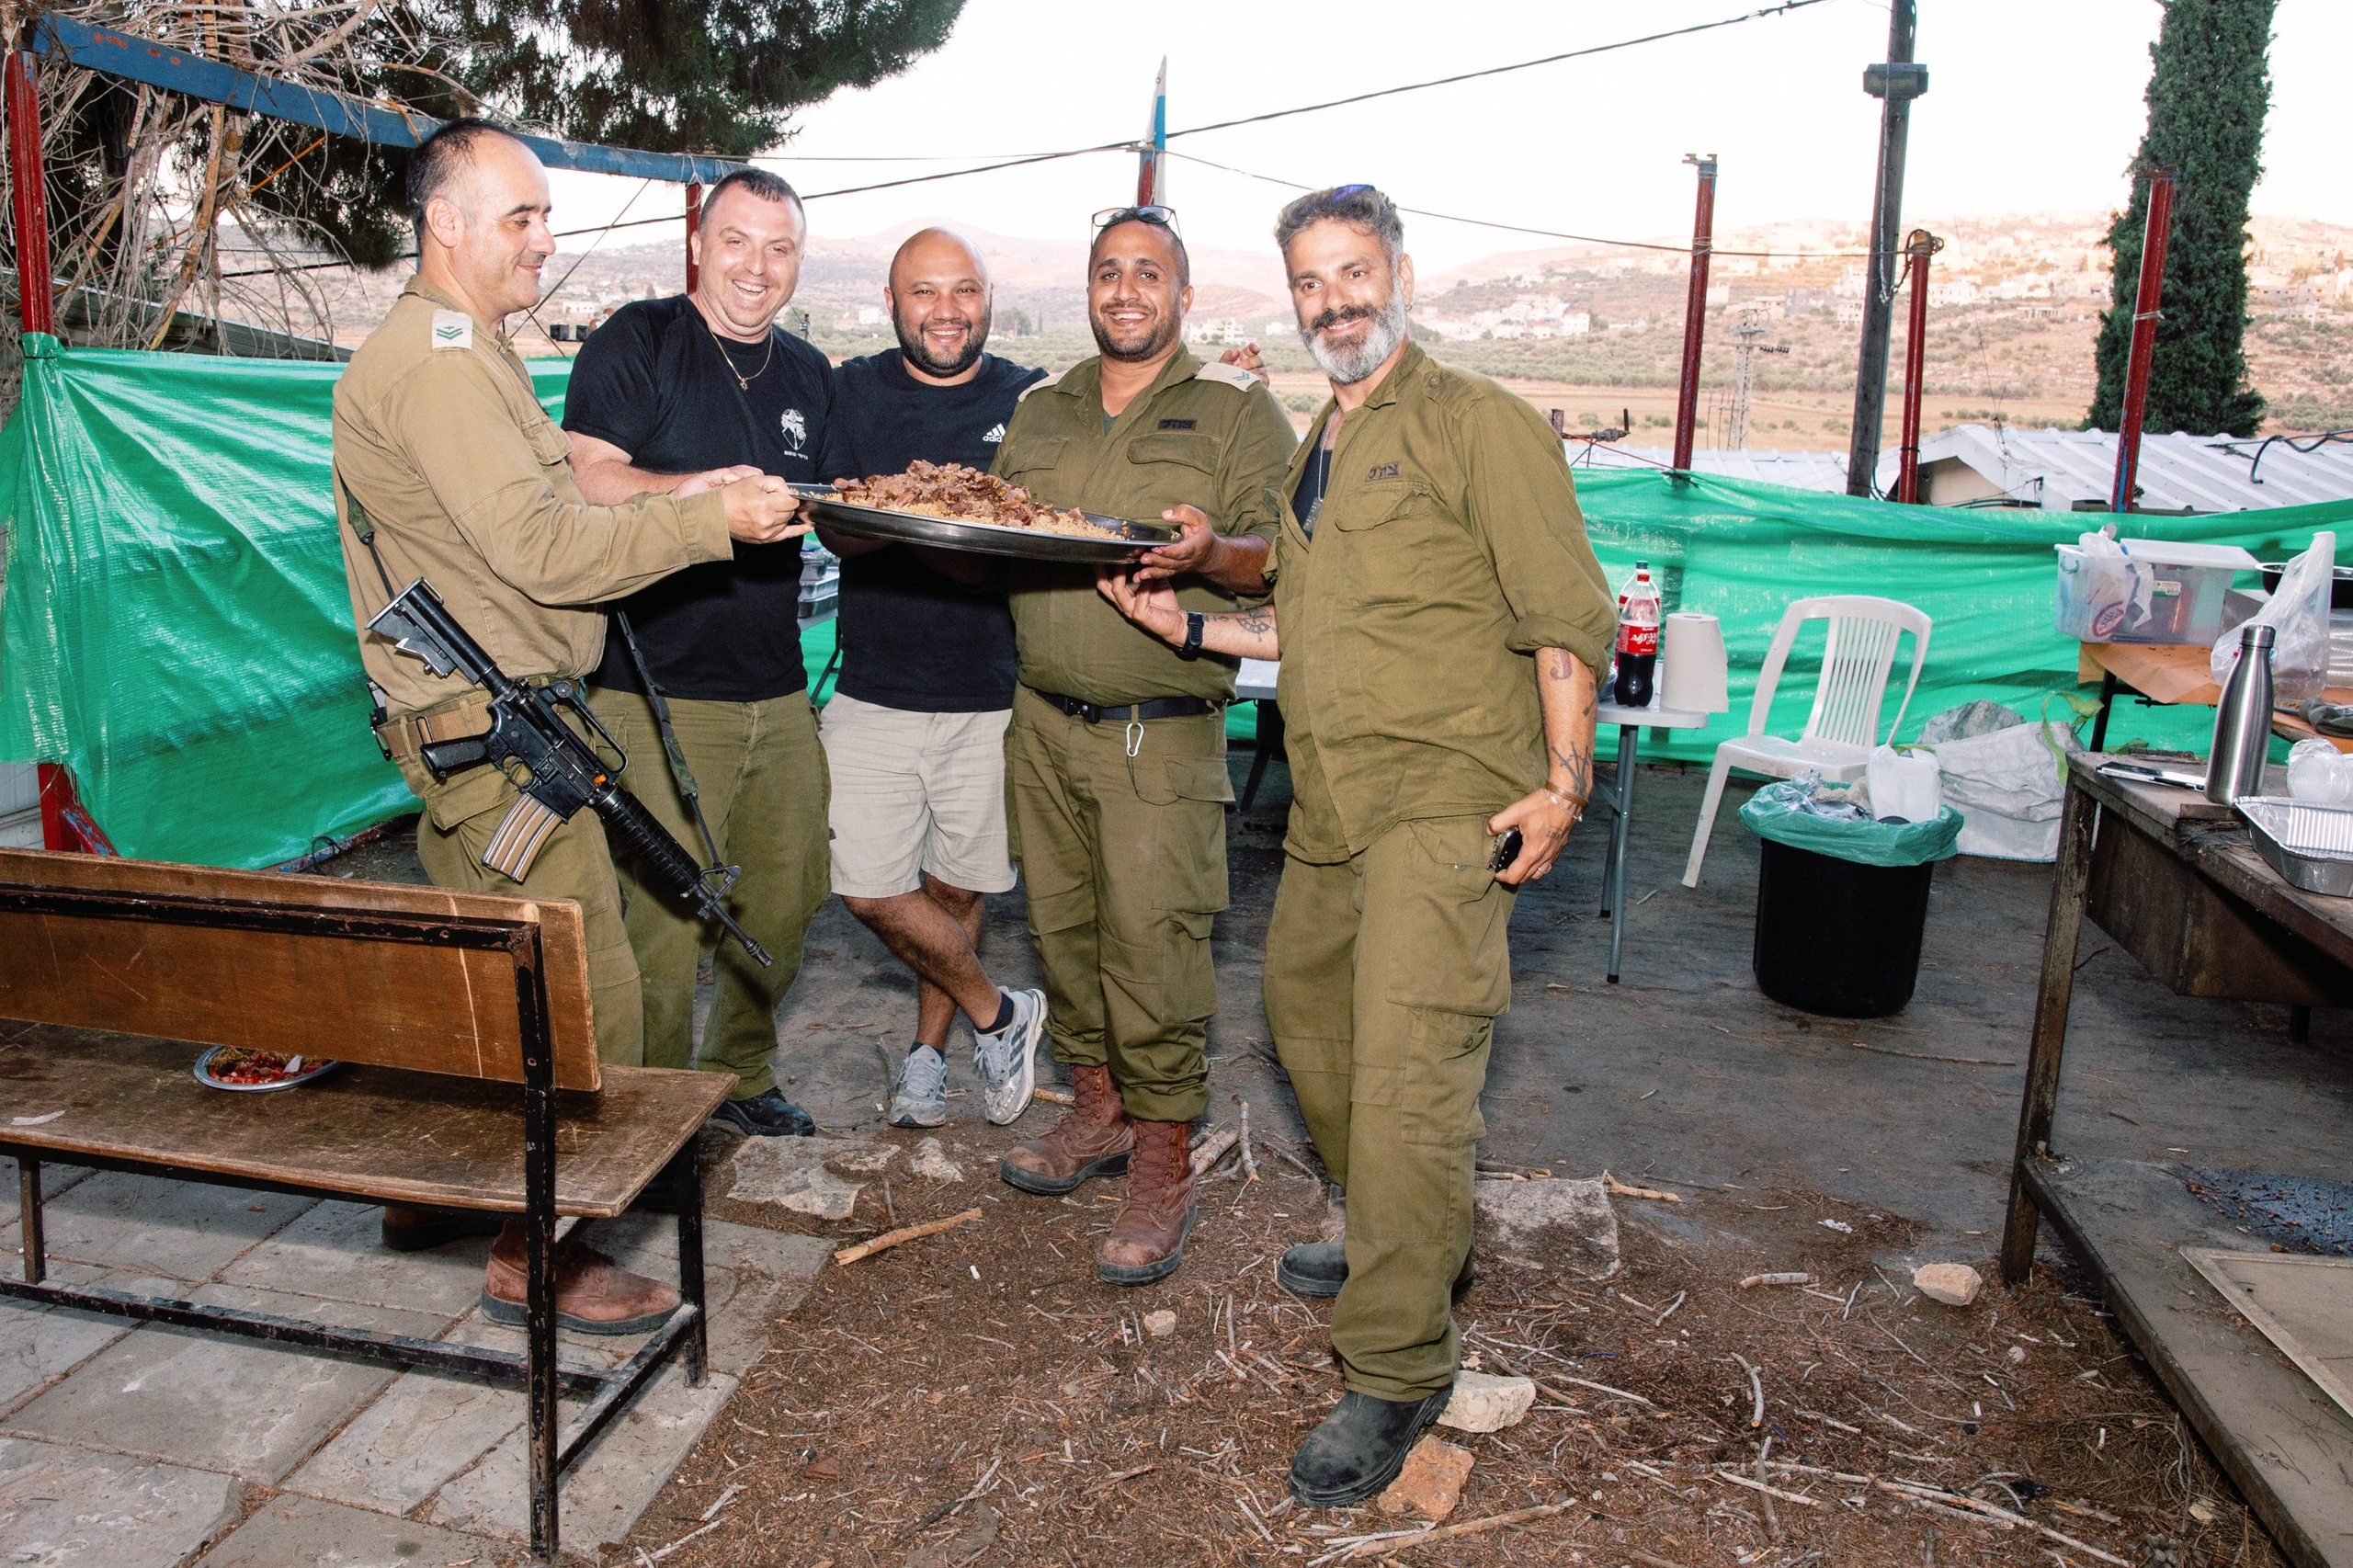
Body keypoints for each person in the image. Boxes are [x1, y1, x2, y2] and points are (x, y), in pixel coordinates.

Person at [1097, 185, 1615, 1504]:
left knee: (1406, 1077)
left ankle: (1399, 1359)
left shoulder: (1476, 423)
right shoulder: (1313, 451)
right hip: (1330, 807)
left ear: (1401, 273)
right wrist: (1193, 635)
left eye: (1356, 271)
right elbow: (1301, 633)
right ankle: (1397, 1224)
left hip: (1447, 803)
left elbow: (1562, 610)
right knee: (1304, 1021)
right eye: (1313, 281)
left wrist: (1563, 782)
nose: (1338, 300)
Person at [333, 119, 807, 1330]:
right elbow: (543, 547)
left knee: (492, 996)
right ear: (446, 224)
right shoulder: (441, 365)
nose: (546, 240)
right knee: (590, 1003)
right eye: (522, 218)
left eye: (544, 216)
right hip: (500, 752)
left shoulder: (459, 351)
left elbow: (545, 490)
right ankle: (546, 1245)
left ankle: (431, 1196)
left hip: (473, 735)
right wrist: (715, 527)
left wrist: (690, 489)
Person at [990, 206, 1295, 1287]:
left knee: (1154, 947)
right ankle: (1098, 1113)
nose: (1127, 290)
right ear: (1087, 286)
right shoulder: (1043, 403)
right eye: (1109, 272)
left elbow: (1279, 561)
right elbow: (998, 524)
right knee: (1065, 933)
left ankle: (1165, 1156)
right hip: (1042, 722)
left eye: (1149, 272)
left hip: (1157, 735)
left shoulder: (1234, 410)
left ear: (1184, 291)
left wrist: (1214, 551)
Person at [564, 169, 835, 1139]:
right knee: (663, 922)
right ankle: (652, 1110)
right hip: (652, 683)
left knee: (790, 892)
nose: (756, 267)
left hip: (775, 680)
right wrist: (697, 498)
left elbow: (833, 510)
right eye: (737, 241)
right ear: (698, 244)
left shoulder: (809, 373)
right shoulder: (640, 341)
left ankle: (743, 1070)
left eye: (778, 248)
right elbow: (587, 476)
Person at [813, 229, 1051, 1130]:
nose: (945, 310)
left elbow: (1019, 543)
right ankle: (1002, 1011)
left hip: (990, 688)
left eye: (964, 291)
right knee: (869, 887)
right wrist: (946, 521)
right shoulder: (853, 388)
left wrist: (900, 514)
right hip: (874, 684)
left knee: (956, 890)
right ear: (891, 299)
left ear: (989, 297)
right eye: (925, 292)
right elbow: (834, 522)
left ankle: (928, 1056)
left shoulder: (1029, 397)